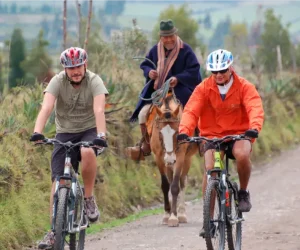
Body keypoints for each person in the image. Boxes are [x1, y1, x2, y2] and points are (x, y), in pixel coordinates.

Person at [177, 49, 264, 237]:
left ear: (230, 68)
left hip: (239, 134)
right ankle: (208, 221)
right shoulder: (203, 88)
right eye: (214, 72)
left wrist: (254, 128)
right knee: (211, 171)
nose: (218, 75)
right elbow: (191, 110)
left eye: (222, 70)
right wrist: (184, 131)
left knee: (242, 154)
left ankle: (242, 192)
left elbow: (254, 107)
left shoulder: (244, 86)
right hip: (212, 136)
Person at [30, 47, 108, 249]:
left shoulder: (94, 81)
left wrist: (101, 135)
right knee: (57, 182)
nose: (75, 71)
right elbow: (46, 107)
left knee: (87, 151)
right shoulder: (57, 81)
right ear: (64, 69)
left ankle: (89, 198)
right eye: (71, 68)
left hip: (89, 130)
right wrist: (38, 132)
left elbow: (99, 109)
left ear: (85, 65)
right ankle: (54, 231)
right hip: (64, 133)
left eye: (78, 67)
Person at [126, 19, 202, 161]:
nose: (168, 40)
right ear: (160, 37)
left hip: (180, 91)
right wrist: (149, 72)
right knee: (143, 114)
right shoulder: (155, 50)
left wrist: (178, 78)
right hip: (159, 93)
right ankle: (146, 144)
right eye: (165, 37)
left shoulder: (186, 50)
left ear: (175, 34)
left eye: (170, 36)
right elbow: (145, 65)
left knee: (194, 111)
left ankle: (200, 139)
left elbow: (194, 70)